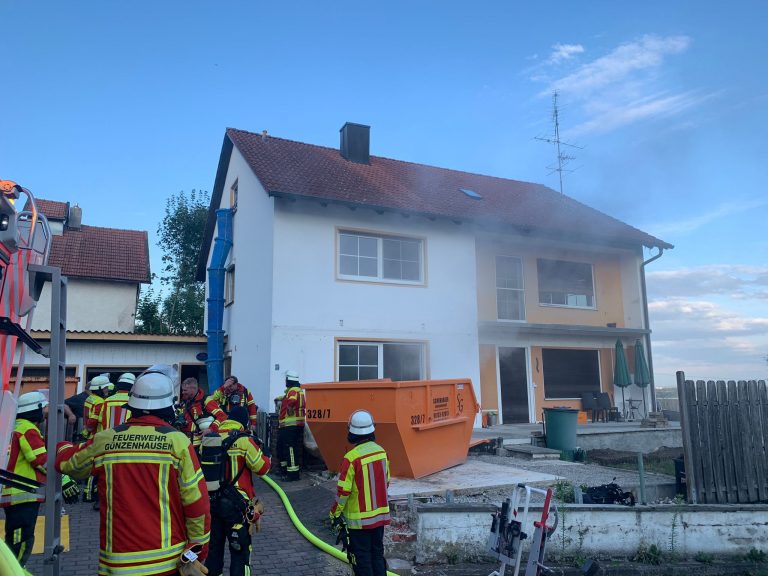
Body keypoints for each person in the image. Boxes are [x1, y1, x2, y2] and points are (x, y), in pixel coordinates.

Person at [55, 365, 211, 576]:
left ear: (132, 404)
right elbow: (197, 504)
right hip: (166, 562)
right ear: (169, 405)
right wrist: (198, 550)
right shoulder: (178, 442)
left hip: (116, 564)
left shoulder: (105, 440)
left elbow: (69, 463)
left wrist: (61, 446)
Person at [1, 391, 79, 568]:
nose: (45, 413)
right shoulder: (27, 429)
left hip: (13, 494)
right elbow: (41, 460)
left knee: (14, 538)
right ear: (34, 410)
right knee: (20, 541)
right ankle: (14, 570)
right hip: (23, 495)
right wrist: (64, 479)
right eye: (43, 409)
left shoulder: (14, 426)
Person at [203, 405, 270, 576]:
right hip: (236, 507)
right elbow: (262, 468)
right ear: (244, 422)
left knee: (213, 553)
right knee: (240, 553)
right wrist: (266, 453)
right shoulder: (244, 441)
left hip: (212, 504)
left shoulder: (211, 439)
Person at [329, 410, 390, 576]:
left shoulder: (351, 458)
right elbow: (386, 483)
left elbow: (343, 492)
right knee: (377, 556)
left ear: (352, 432)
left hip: (359, 523)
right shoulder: (382, 452)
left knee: (362, 561)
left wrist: (334, 514)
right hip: (379, 519)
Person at [275, 370, 305, 481]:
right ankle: (284, 470)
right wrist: (281, 399)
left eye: (286, 379)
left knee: (290, 449)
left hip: (290, 426)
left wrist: (289, 407)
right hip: (290, 426)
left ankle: (292, 475)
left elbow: (292, 401)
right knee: (281, 447)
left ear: (289, 380)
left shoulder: (293, 391)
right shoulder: (296, 390)